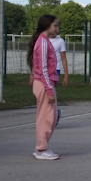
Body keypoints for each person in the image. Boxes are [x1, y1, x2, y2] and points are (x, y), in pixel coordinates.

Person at [27, 14, 60, 161]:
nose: (57, 28)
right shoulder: (43, 43)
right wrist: (49, 90)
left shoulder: (45, 41)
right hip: (44, 84)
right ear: (47, 26)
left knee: (50, 117)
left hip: (46, 83)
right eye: (55, 25)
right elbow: (43, 69)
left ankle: (41, 146)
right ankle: (41, 148)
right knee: (46, 118)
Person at [49, 31, 68, 126]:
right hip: (45, 70)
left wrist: (66, 75)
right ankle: (55, 113)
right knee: (45, 95)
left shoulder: (60, 41)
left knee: (50, 93)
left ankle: (54, 115)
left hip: (55, 70)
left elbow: (64, 58)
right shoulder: (43, 40)